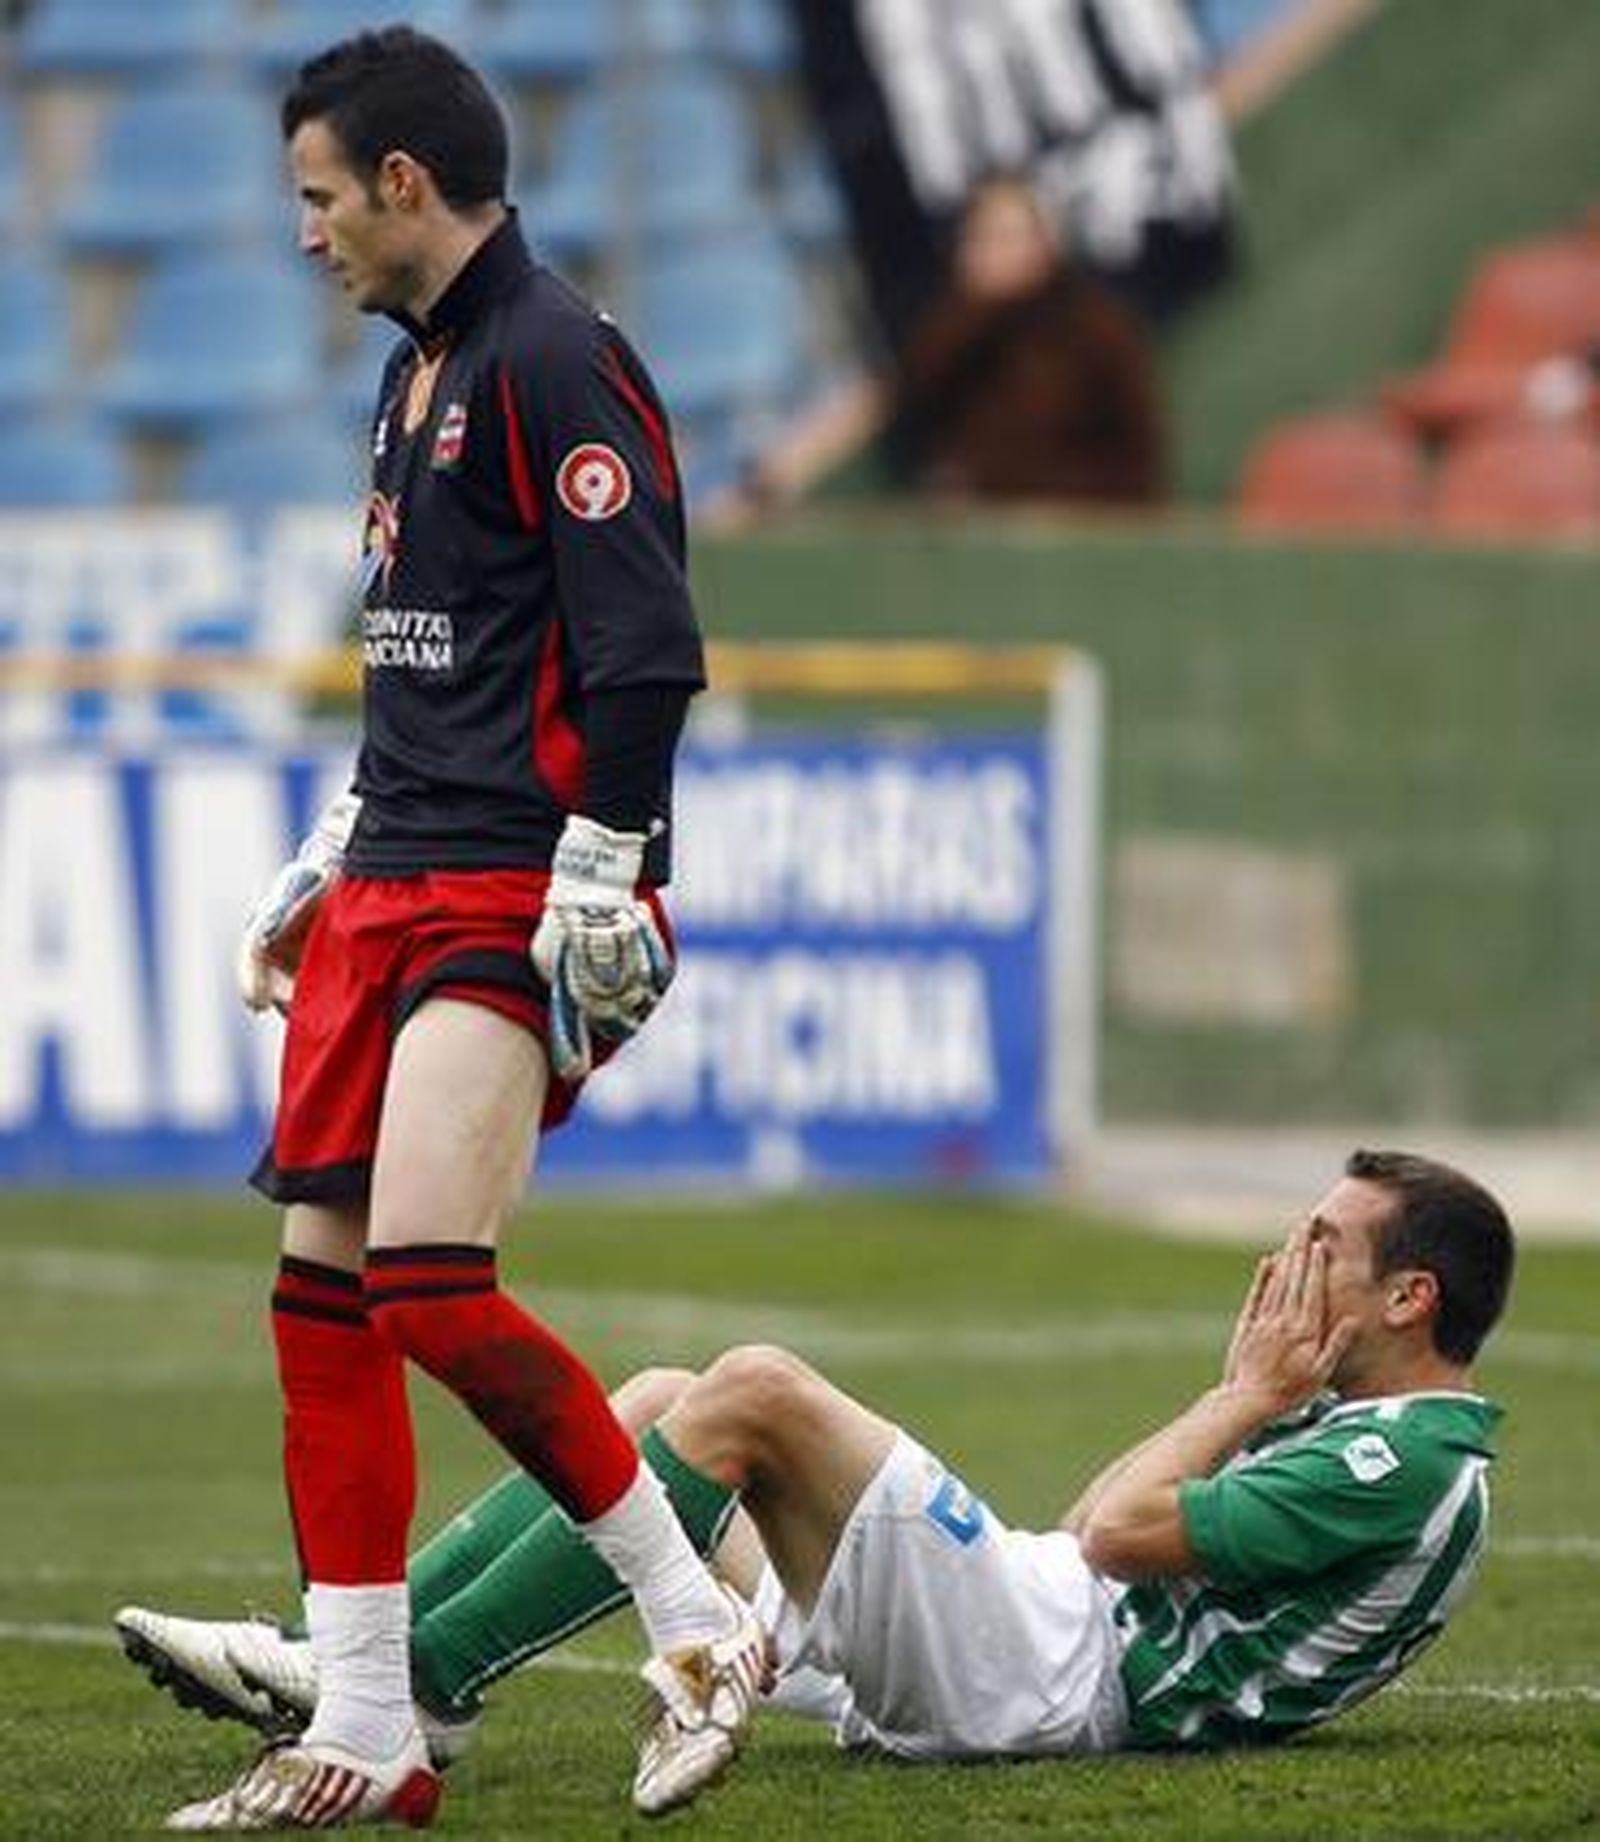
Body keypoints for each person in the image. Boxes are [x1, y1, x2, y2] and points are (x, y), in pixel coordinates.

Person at [149, 26, 769, 1833]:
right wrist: (327, 845)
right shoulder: (417, 374)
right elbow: (429, 653)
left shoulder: (560, 359)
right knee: (320, 1303)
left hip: (513, 878)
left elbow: (642, 646)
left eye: (321, 196)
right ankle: (367, 1727)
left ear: (405, 184)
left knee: (421, 1278)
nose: (305, 232)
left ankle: (693, 1618)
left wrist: (606, 866)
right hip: (401, 865)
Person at [120, 1148, 1514, 1774]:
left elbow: (1110, 1534)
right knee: (669, 1396)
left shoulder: (1405, 1452)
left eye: (1327, 1243)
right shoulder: (1363, 1428)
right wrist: (1246, 1398)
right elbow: (1099, 1520)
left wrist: (1237, 1398)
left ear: (1412, 1300)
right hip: (1039, 1631)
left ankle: (417, 1678)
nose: (1290, 1256)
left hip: (1048, 1676)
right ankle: (374, 1650)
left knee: (756, 1395)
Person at [886, 176, 1168, 506]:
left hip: (1083, 527)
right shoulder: (951, 331)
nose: (997, 253)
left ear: (1045, 244)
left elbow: (1139, 451)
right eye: (983, 239)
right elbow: (920, 394)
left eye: (1009, 238)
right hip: (983, 534)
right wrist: (981, 308)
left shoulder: (1096, 329)